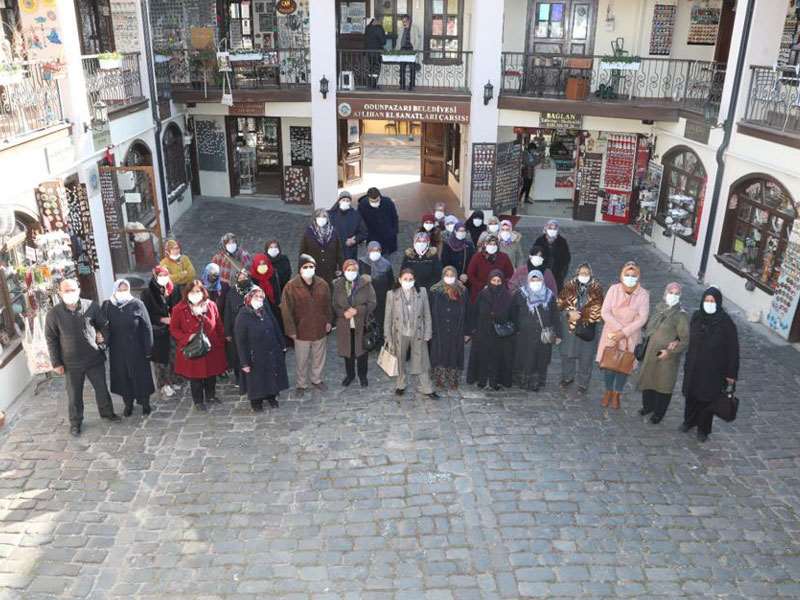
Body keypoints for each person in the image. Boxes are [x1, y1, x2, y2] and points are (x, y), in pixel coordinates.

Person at [45, 279, 120, 436]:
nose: (70, 293)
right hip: (71, 363)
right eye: (66, 291)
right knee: (74, 395)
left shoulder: (91, 306)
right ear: (60, 293)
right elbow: (51, 338)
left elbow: (104, 326)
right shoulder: (54, 313)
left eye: (72, 290)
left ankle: (107, 413)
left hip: (93, 358)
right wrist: (56, 362)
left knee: (101, 389)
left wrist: (103, 340)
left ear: (78, 290)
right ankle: (75, 422)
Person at [681, 287, 739, 442]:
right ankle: (689, 421)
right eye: (706, 300)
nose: (709, 303)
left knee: (707, 400)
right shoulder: (697, 316)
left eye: (712, 301)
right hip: (694, 366)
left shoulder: (726, 323)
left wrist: (731, 374)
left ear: (718, 302)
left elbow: (733, 350)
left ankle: (703, 429)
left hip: (713, 370)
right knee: (691, 396)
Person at [596, 262, 650, 410]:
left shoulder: (643, 294)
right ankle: (608, 391)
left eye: (633, 276)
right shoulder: (614, 290)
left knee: (623, 366)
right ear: (621, 275)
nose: (630, 278)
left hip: (631, 336)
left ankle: (617, 394)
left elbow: (642, 318)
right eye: (627, 275)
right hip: (612, 333)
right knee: (609, 364)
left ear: (638, 277)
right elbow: (605, 312)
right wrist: (619, 330)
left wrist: (624, 333)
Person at [170, 280, 228, 411]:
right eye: (192, 291)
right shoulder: (179, 309)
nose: (195, 294)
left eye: (198, 291)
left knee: (211, 374)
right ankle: (198, 401)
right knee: (195, 377)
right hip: (193, 347)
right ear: (187, 293)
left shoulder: (211, 305)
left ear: (203, 292)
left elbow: (217, 324)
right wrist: (186, 337)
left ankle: (211, 396)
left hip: (210, 345)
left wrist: (221, 341)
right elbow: (174, 329)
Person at [637, 282, 690, 424]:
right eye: (671, 292)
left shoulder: (681, 315)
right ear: (665, 293)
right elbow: (648, 327)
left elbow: (685, 339)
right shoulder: (658, 308)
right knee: (649, 379)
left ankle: (659, 413)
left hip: (667, 356)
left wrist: (671, 351)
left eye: (676, 293)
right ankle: (648, 407)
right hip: (651, 352)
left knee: (663, 384)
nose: (673, 295)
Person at [101, 279, 156, 417]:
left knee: (141, 377)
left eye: (125, 289)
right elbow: (102, 326)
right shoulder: (108, 306)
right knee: (123, 378)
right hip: (118, 349)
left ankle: (145, 403)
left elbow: (147, 327)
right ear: (115, 290)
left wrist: (149, 349)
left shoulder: (137, 304)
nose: (122, 292)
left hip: (137, 349)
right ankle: (128, 404)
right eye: (120, 290)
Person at [281, 255, 333, 397]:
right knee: (301, 359)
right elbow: (286, 310)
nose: (309, 269)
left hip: (319, 327)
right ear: (300, 269)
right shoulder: (290, 287)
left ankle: (316, 379)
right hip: (301, 330)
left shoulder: (323, 284)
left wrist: (328, 321)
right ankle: (301, 384)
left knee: (319, 356)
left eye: (311, 267)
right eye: (306, 267)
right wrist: (291, 330)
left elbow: (328, 305)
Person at [384, 269, 438, 398]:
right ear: (400, 280)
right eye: (405, 279)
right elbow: (388, 317)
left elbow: (427, 314)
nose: (408, 282)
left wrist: (428, 332)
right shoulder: (392, 294)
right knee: (400, 359)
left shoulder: (422, 292)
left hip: (417, 332)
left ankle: (426, 387)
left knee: (422, 360)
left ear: (414, 280)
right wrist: (388, 337)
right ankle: (400, 384)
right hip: (399, 333)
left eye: (410, 279)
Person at [234, 286, 289, 411]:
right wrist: (244, 362)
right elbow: (240, 341)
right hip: (254, 354)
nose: (259, 300)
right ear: (249, 298)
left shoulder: (265, 311)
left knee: (271, 375)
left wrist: (282, 344)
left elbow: (275, 326)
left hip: (270, 351)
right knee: (256, 380)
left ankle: (271, 397)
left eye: (261, 297)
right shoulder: (242, 316)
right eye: (256, 297)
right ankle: (256, 401)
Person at [511, 270, 562, 391]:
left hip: (543, 334)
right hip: (525, 334)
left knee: (541, 358)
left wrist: (559, 334)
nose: (535, 282)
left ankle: (536, 382)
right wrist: (516, 327)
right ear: (528, 280)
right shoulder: (521, 294)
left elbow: (555, 315)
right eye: (532, 280)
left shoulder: (549, 295)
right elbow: (513, 311)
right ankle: (524, 381)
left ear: (542, 280)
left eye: (537, 279)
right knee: (525, 357)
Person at [557, 263, 604, 394]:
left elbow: (599, 308)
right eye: (581, 273)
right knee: (567, 355)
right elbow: (559, 305)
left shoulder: (597, 288)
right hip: (570, 330)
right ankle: (567, 377)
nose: (584, 275)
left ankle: (583, 383)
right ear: (577, 273)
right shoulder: (568, 287)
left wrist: (582, 315)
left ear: (591, 274)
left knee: (586, 358)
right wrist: (568, 313)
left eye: (586, 273)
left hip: (587, 329)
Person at [466, 270, 514, 390]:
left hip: (500, 333)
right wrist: (473, 329)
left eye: (498, 281)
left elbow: (512, 315)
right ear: (489, 280)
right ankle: (482, 380)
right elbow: (475, 312)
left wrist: (497, 316)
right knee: (483, 357)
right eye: (493, 280)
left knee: (497, 358)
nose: (496, 283)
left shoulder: (507, 296)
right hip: (483, 331)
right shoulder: (483, 294)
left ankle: (495, 381)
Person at [332, 259, 377, 387]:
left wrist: (357, 310)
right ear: (344, 270)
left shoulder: (366, 284)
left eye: (354, 270)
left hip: (361, 323)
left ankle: (363, 376)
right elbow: (334, 304)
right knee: (348, 352)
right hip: (345, 324)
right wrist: (343, 313)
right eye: (348, 270)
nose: (351, 272)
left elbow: (372, 303)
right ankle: (350, 375)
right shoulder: (338, 285)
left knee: (362, 351)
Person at [140, 266, 182, 398]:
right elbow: (145, 314)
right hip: (158, 330)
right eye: (161, 275)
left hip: (173, 328)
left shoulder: (174, 289)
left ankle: (174, 379)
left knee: (174, 356)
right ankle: (163, 385)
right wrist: (161, 319)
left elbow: (179, 305)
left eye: (165, 275)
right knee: (160, 359)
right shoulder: (147, 293)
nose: (164, 278)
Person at [429, 266, 469, 390]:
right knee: (439, 352)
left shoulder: (462, 290)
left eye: (452, 275)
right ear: (443, 275)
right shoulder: (435, 290)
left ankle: (453, 379)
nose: (449, 278)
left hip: (456, 327)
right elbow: (429, 310)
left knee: (454, 352)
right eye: (447, 275)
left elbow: (468, 311)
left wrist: (467, 331)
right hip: (439, 327)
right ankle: (439, 378)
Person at [224, 269, 253, 397]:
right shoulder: (231, 292)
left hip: (252, 329)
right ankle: (239, 378)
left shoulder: (254, 290)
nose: (242, 280)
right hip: (237, 329)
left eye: (244, 277)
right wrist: (227, 332)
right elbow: (228, 313)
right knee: (238, 355)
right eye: (240, 278)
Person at [359, 241, 394, 348]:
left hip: (382, 297)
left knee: (381, 320)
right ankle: (367, 342)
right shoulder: (361, 263)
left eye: (378, 250)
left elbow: (391, 282)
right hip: (366, 298)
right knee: (367, 321)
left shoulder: (386, 265)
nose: (375, 252)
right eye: (372, 250)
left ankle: (380, 342)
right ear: (368, 251)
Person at [466, 235, 514, 304]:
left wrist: (500, 285)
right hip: (480, 292)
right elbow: (470, 274)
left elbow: (510, 274)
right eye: (490, 244)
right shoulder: (477, 257)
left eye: (494, 244)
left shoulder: (504, 257)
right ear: (485, 244)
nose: (492, 246)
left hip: (499, 292)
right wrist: (482, 286)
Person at [299, 209, 343, 285]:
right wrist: (302, 270)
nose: (322, 218)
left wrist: (341, 268)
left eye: (324, 216)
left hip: (330, 270)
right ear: (315, 218)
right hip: (314, 270)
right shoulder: (309, 233)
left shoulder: (333, 233)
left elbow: (339, 252)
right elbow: (303, 253)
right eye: (319, 216)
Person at [358, 187, 399, 256]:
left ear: (380, 196)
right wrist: (363, 235)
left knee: (389, 253)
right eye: (372, 201)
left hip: (387, 233)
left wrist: (394, 230)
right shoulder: (362, 205)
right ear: (368, 198)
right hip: (372, 234)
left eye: (377, 200)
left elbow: (394, 217)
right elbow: (360, 221)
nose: (375, 203)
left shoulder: (388, 202)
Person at [329, 191, 368, 261]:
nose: (345, 202)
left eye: (347, 200)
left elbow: (363, 232)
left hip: (350, 252)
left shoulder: (356, 215)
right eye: (343, 200)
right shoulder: (331, 215)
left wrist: (355, 240)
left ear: (350, 202)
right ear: (339, 201)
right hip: (334, 251)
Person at [534, 220, 571, 290]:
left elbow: (567, 258)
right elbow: (533, 255)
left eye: (554, 228)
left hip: (557, 275)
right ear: (546, 228)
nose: (552, 230)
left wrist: (562, 274)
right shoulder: (540, 240)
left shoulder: (562, 241)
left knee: (556, 294)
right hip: (542, 273)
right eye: (550, 228)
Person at [398, 14, 421, 91]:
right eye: (403, 21)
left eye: (405, 21)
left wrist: (415, 50)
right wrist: (397, 50)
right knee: (402, 68)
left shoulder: (415, 28)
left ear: (409, 20)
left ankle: (411, 85)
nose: (404, 23)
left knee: (412, 68)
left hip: (411, 50)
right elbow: (399, 40)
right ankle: (402, 85)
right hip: (403, 50)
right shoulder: (401, 29)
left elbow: (417, 40)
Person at [364, 17, 386, 89]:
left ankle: (369, 84)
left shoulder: (367, 28)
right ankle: (374, 85)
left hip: (368, 52)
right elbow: (383, 41)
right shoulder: (379, 29)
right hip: (376, 52)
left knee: (370, 68)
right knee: (376, 69)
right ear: (377, 21)